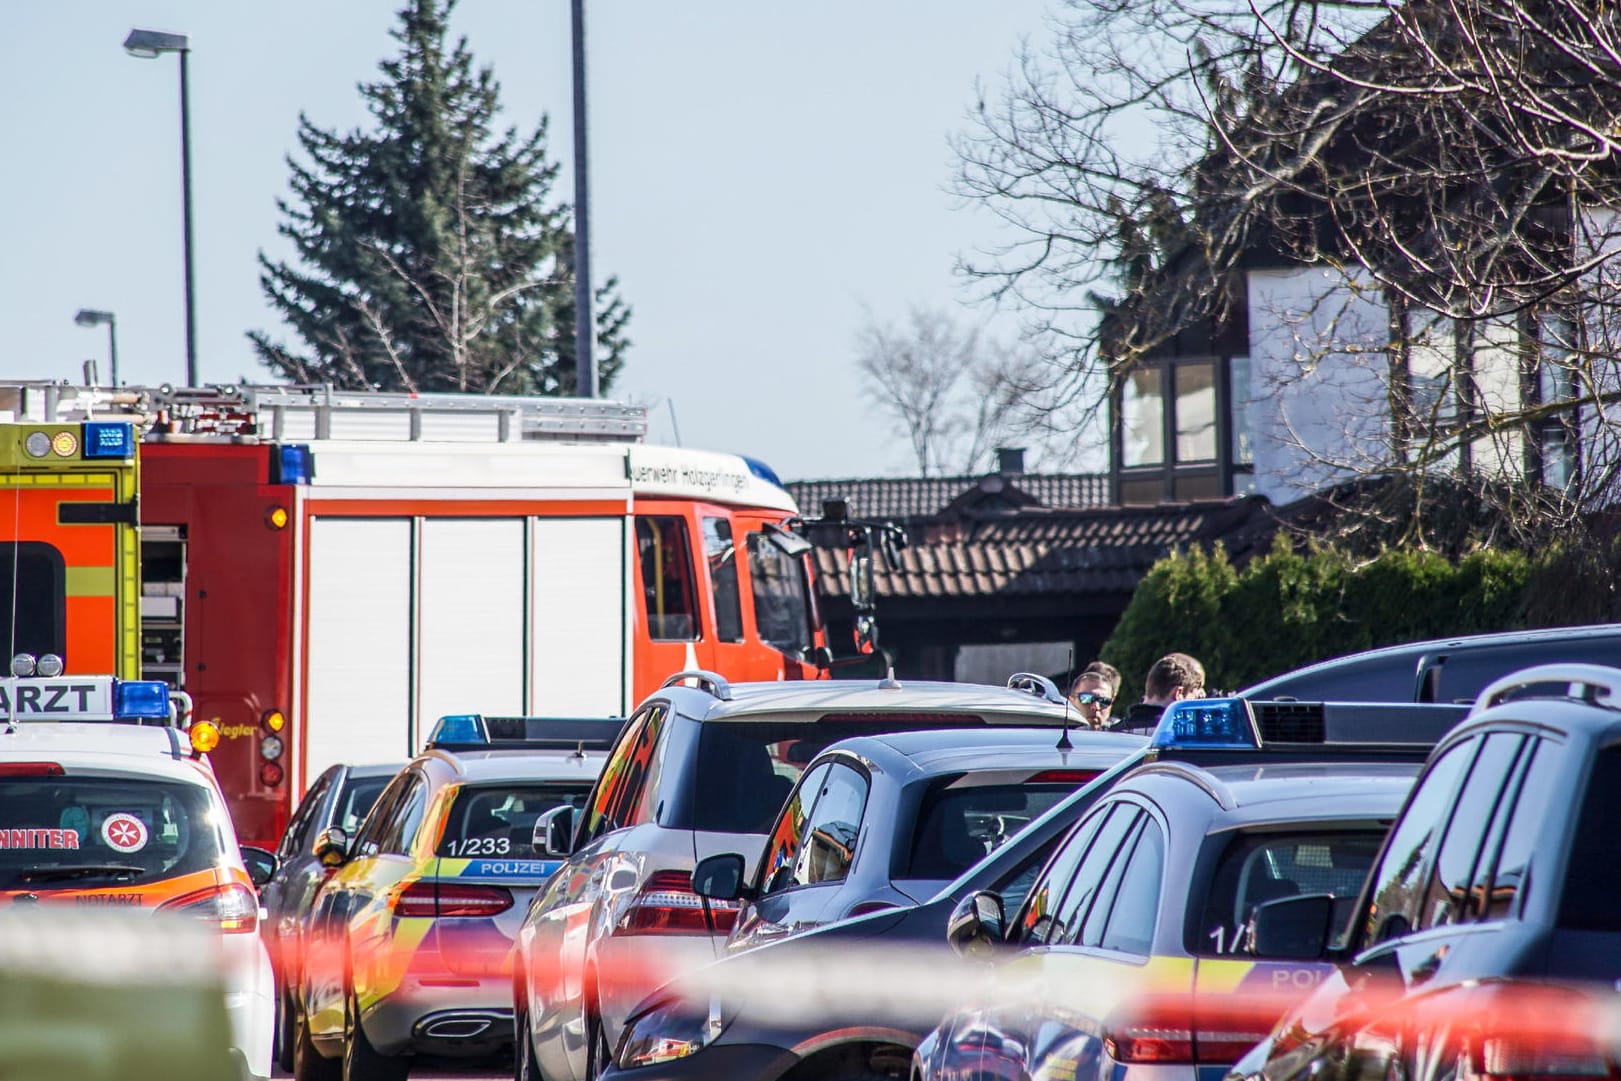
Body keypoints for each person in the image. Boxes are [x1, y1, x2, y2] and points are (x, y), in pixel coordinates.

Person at [1112, 652, 1206, 735]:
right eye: (1195, 697)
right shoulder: (1185, 736)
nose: (1196, 704)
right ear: (1179, 693)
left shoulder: (1112, 732)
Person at [1068, 662, 1120, 730]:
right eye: (1087, 698)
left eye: (1104, 701)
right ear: (1071, 702)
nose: (1096, 707)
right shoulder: (1057, 734)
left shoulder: (1121, 736)